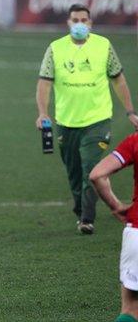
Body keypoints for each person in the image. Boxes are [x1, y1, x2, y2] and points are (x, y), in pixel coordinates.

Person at [35, 3, 138, 234]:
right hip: (66, 122)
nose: (79, 24)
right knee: (73, 173)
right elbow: (44, 83)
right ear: (68, 23)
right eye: (75, 20)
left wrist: (130, 111)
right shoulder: (55, 49)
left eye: (84, 20)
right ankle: (80, 208)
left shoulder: (103, 46)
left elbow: (118, 79)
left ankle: (87, 219)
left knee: (90, 167)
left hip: (98, 121)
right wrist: (43, 112)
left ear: (90, 23)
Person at [89, 134, 138, 322]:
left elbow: (97, 175)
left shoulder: (135, 141)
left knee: (131, 309)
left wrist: (115, 206)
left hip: (137, 230)